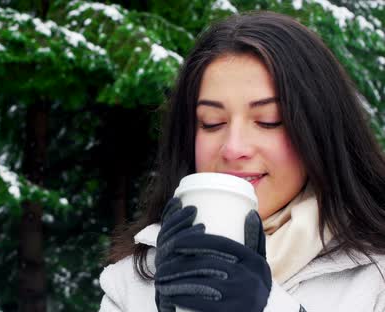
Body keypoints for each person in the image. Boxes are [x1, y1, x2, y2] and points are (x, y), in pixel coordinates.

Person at [98, 11, 385, 312]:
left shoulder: (374, 274)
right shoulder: (132, 282)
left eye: (268, 121)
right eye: (211, 123)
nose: (233, 148)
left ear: (320, 129)